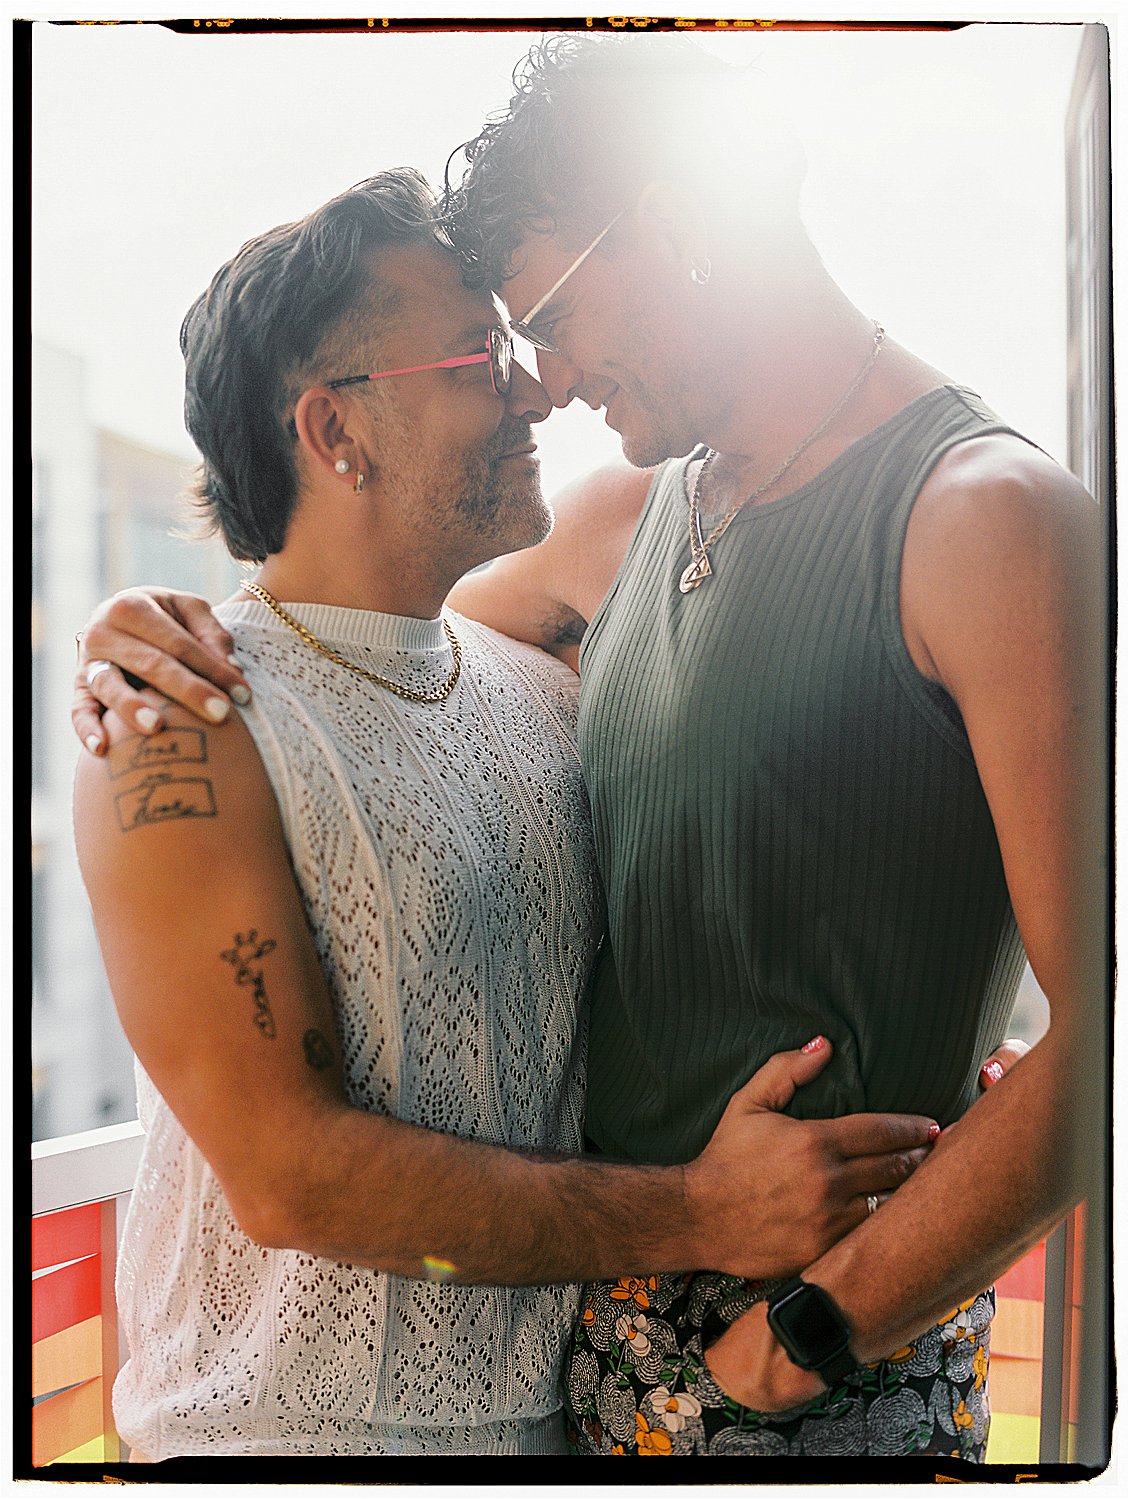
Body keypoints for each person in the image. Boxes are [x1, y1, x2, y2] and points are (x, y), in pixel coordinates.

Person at [69, 36, 1102, 1461]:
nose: (541, 383)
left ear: (675, 226)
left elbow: (1103, 1021)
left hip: (796, 1370)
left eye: (539, 321)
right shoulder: (615, 527)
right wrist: (139, 631)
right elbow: (344, 647)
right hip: (526, 1381)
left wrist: (797, 1342)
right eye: (494, 349)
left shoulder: (983, 517)